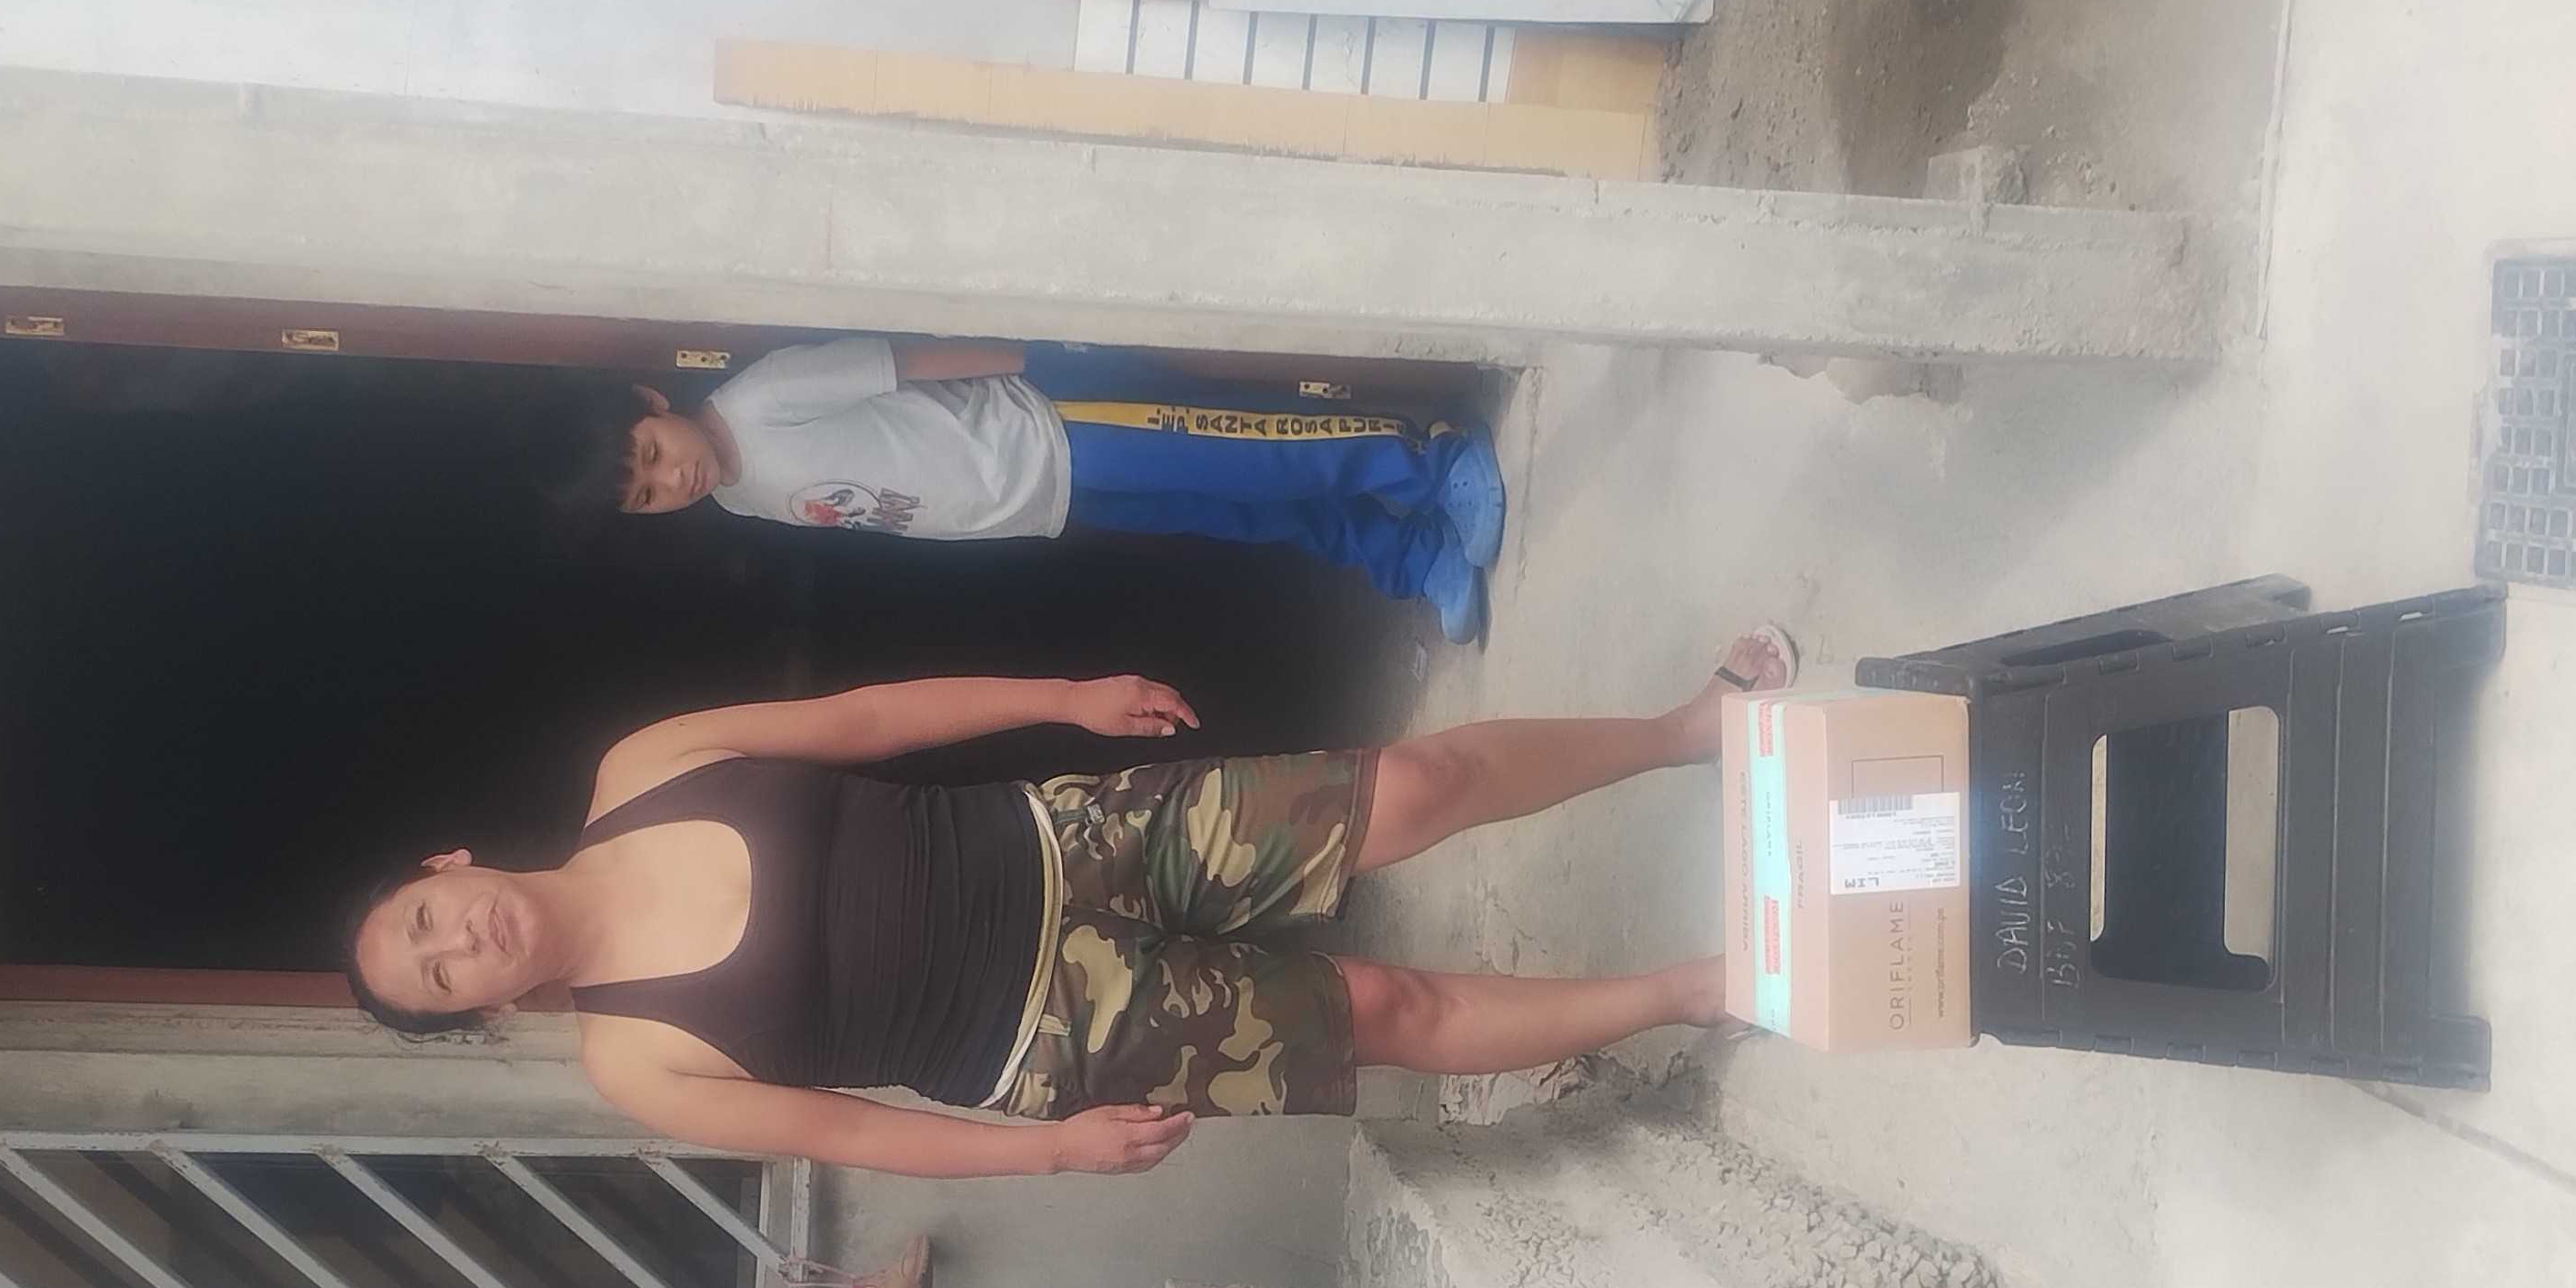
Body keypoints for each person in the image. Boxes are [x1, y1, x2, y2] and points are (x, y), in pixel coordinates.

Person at [341, 627, 1797, 1181]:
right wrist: (1047, 1155)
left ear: (448, 869)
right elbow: (848, 1132)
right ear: (485, 1012)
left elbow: (862, 720)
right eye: (441, 981)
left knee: (1413, 784)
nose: (458, 946)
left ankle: (1689, 730)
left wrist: (1063, 696)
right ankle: (1697, 989)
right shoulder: (633, 1059)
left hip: (1067, 837)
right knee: (1387, 1011)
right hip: (1054, 1035)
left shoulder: (643, 769)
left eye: (426, 924)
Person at [539, 337, 1507, 643]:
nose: (672, 480)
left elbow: (904, 362)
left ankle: (1433, 463)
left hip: (1050, 424)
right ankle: (1409, 552)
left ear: (653, 403)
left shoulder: (762, 396)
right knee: (1242, 513)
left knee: (1252, 454)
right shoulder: (738, 500)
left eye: (651, 453)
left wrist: (1035, 357)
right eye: (648, 496)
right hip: (1046, 501)